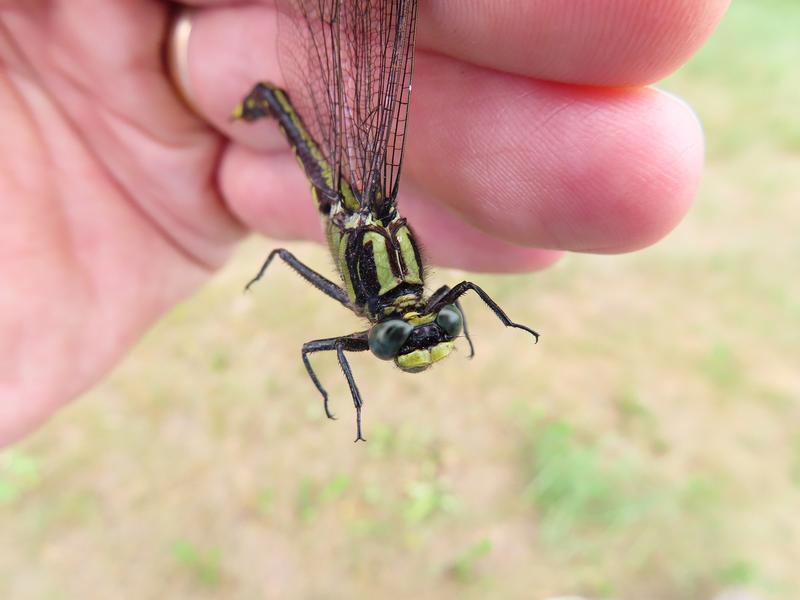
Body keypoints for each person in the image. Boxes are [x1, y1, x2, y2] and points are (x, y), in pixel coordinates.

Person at [0, 0, 729, 446]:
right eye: (436, 328)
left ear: (383, 330)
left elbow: (333, 341)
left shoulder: (388, 309)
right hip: (351, 194)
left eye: (405, 337)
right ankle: (271, 101)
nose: (424, 327)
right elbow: (423, 309)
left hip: (359, 197)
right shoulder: (409, 299)